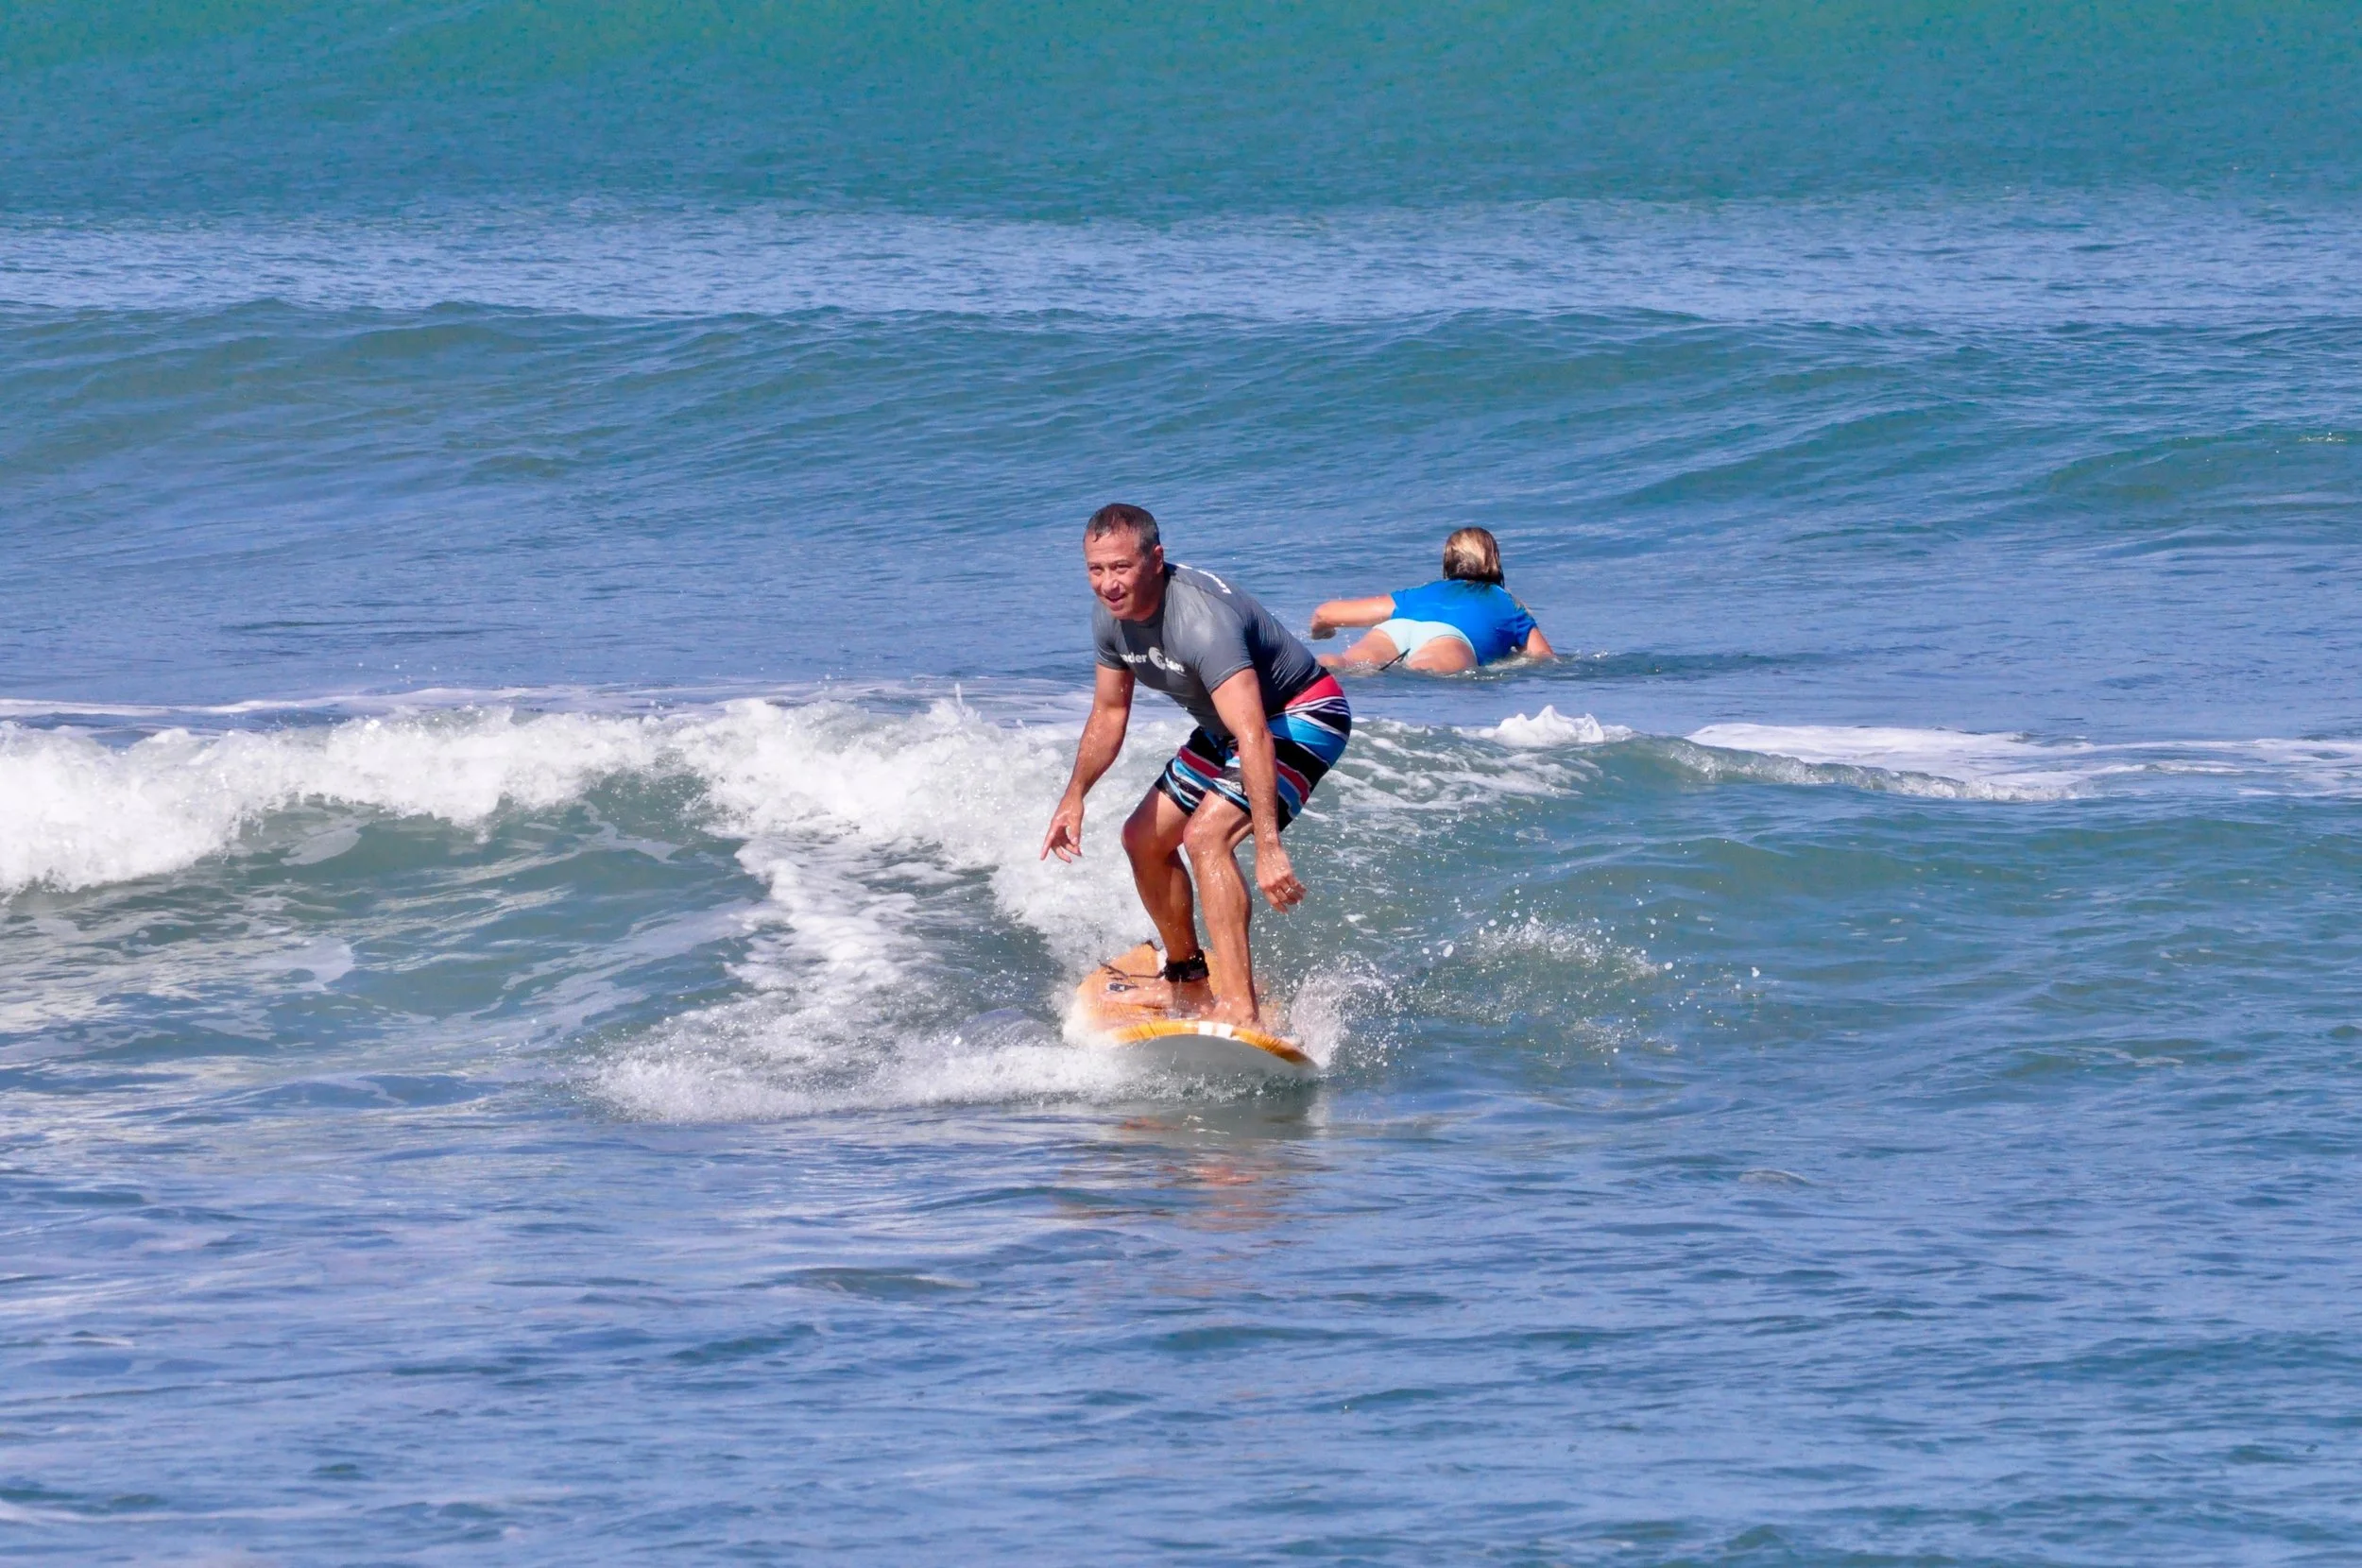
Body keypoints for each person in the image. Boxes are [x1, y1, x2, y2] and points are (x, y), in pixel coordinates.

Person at [1039, 503, 1351, 1028]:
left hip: (1301, 715)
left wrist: (1269, 847)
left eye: (1121, 567)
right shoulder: (1111, 619)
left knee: (1208, 836)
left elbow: (1254, 734)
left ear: (1155, 560)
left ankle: (1241, 1008)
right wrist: (1074, 796)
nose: (1108, 584)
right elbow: (1109, 712)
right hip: (1226, 728)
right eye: (1096, 570)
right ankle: (1188, 984)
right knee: (1143, 837)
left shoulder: (1202, 620)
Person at [1309, 526, 1555, 673]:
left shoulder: (1419, 593)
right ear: (1494, 561)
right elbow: (1544, 659)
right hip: (1449, 641)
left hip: (1396, 629)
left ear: (1448, 562)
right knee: (1422, 670)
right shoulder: (1509, 605)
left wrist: (1322, 632)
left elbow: (1324, 614)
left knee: (1345, 664)